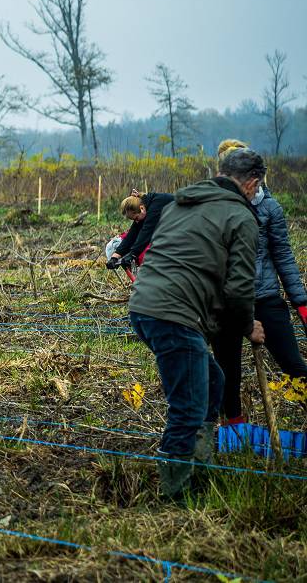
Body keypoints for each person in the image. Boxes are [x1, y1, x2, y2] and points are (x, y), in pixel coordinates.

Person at [128, 148, 266, 501]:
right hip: (174, 315)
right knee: (187, 406)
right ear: (252, 184)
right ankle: (176, 494)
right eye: (257, 186)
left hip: (143, 305)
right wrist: (247, 324)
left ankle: (202, 468)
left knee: (212, 382)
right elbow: (238, 289)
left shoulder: (180, 203)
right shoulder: (241, 218)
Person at [210, 146, 307, 427]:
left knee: (293, 365)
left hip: (265, 298)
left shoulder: (270, 208)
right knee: (227, 371)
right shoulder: (216, 208)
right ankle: (235, 431)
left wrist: (300, 301)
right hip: (227, 302)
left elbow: (284, 256)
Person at [108, 192, 174, 278]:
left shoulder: (156, 206)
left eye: (136, 218)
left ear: (142, 208)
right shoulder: (144, 208)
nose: (136, 221)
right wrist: (115, 257)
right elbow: (132, 234)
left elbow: (146, 233)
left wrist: (132, 254)